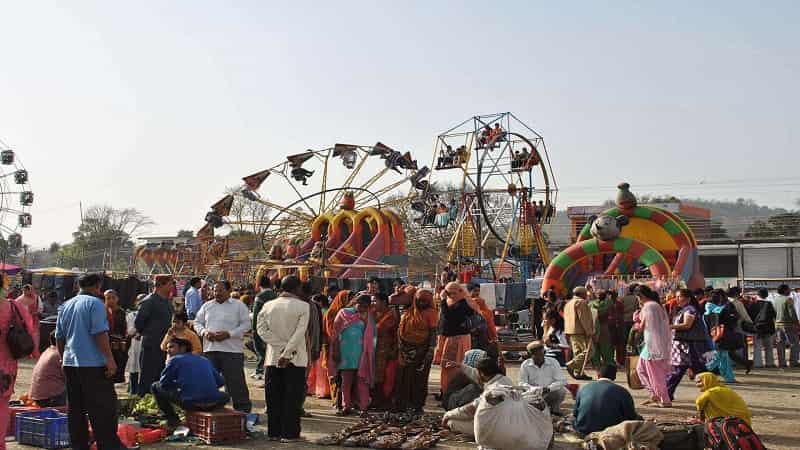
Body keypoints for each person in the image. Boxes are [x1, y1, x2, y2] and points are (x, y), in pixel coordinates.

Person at [54, 273, 126, 450]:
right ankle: (107, 445)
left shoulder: (66, 305)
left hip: (71, 363)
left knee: (76, 409)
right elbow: (99, 333)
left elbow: (59, 337)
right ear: (97, 286)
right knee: (102, 408)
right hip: (92, 364)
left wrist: (63, 358)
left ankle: (79, 445)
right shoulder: (95, 304)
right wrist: (110, 359)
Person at [257, 275, 310, 443]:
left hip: (273, 357)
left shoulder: (268, 305)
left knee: (273, 396)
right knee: (292, 396)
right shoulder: (303, 306)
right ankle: (289, 434)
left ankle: (274, 432)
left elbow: (261, 330)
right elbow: (300, 332)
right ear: (297, 289)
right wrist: (287, 353)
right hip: (296, 358)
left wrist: (280, 348)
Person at [193, 280, 252, 413]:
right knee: (208, 381)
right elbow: (197, 322)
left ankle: (243, 411)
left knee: (235, 382)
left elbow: (246, 325)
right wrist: (204, 332)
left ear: (229, 291)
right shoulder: (207, 306)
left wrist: (229, 334)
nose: (216, 293)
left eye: (220, 290)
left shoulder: (238, 306)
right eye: (215, 290)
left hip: (232, 351)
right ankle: (208, 407)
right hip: (210, 349)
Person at [151, 337, 230, 427]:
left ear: (183, 348)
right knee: (225, 396)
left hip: (190, 403)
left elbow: (163, 383)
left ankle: (173, 420)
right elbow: (220, 382)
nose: (168, 351)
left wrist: (178, 384)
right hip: (214, 402)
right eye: (167, 348)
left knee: (155, 386)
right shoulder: (204, 360)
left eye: (171, 347)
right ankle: (212, 409)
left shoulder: (175, 360)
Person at [441, 356, 513, 438]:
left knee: (451, 422)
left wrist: (449, 414)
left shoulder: (493, 390)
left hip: (496, 427)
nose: (476, 374)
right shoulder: (504, 379)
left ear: (482, 373)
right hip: (508, 422)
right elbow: (473, 373)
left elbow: (472, 409)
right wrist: (458, 365)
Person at [330, 295, 376, 416]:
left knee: (362, 381)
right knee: (346, 381)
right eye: (360, 305)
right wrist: (335, 350)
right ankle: (346, 407)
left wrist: (366, 320)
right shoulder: (343, 313)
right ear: (355, 302)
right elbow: (335, 334)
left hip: (362, 354)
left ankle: (363, 407)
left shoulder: (368, 316)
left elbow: (371, 336)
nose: (362, 308)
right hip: (345, 353)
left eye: (366, 306)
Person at [396, 288, 439, 413]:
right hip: (405, 349)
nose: (421, 303)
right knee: (404, 378)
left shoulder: (431, 313)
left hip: (422, 351)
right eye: (419, 300)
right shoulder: (409, 311)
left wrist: (430, 352)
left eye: (424, 301)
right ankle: (404, 403)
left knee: (419, 379)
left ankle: (417, 405)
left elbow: (433, 334)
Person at [435, 282, 481, 393]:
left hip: (457, 339)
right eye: (448, 293)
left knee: (453, 367)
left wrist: (442, 300)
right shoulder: (451, 302)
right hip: (449, 338)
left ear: (460, 292)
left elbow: (450, 317)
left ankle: (451, 392)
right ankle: (445, 391)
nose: (451, 296)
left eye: (453, 293)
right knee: (446, 368)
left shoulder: (463, 304)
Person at [573, 365, 641, 437]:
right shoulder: (622, 391)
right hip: (611, 434)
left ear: (598, 375)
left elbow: (575, 414)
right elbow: (631, 416)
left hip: (583, 431)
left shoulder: (584, 388)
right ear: (614, 377)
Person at [666, 289, 710, 401]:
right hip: (684, 346)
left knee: (681, 370)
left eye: (679, 297)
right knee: (687, 370)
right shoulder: (684, 310)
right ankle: (666, 393)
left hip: (688, 346)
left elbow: (687, 325)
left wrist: (670, 326)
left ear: (688, 298)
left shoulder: (690, 310)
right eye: (676, 297)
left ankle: (666, 394)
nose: (677, 299)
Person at [134, 274, 175, 396]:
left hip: (164, 345)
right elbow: (139, 323)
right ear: (161, 285)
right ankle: (143, 403)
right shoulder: (149, 301)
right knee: (148, 376)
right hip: (151, 344)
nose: (172, 286)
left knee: (160, 375)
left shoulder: (167, 302)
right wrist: (149, 334)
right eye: (170, 283)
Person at [635, 285, 672, 408]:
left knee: (653, 373)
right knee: (645, 370)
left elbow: (642, 326)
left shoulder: (648, 306)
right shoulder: (657, 305)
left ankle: (663, 399)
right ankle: (655, 395)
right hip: (657, 343)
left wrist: (636, 322)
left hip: (652, 345)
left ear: (641, 296)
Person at [519, 341, 568, 414]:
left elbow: (562, 381)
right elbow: (522, 383)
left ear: (544, 353)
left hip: (549, 393)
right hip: (533, 394)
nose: (539, 357)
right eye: (535, 355)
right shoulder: (525, 365)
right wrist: (533, 389)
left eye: (541, 354)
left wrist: (548, 388)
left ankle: (554, 409)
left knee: (561, 391)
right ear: (529, 354)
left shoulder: (553, 362)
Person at [323, 290, 352, 409]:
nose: (350, 302)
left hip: (346, 348)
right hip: (333, 348)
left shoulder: (349, 313)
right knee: (335, 375)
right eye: (348, 299)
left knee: (345, 375)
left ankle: (344, 401)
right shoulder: (331, 313)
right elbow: (331, 332)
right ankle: (336, 400)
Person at [371, 292, 398, 410]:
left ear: (383, 302)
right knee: (374, 376)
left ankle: (383, 402)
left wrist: (394, 350)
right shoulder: (373, 313)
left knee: (384, 377)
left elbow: (395, 334)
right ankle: (375, 401)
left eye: (375, 301)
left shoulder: (391, 315)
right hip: (373, 350)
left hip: (385, 350)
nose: (373, 303)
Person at [564, 286, 595, 380]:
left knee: (578, 352)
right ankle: (571, 365)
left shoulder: (569, 303)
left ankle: (578, 373)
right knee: (590, 351)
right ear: (582, 294)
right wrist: (589, 331)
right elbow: (583, 318)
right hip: (581, 331)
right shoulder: (581, 302)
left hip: (571, 331)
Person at [30, 331, 66, 407]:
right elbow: (70, 378)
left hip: (38, 397)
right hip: (51, 398)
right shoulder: (59, 354)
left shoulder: (48, 351)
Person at [251, 276, 277, 380]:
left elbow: (256, 315)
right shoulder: (276, 296)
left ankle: (260, 370)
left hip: (260, 327)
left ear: (259, 284)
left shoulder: (260, 297)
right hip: (273, 327)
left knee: (259, 349)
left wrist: (254, 328)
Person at [103, 290, 129, 384]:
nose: (110, 300)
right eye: (108, 298)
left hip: (119, 344)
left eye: (113, 298)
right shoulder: (102, 312)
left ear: (117, 299)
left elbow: (124, 329)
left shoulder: (121, 312)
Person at [772, 284, 799, 368]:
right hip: (789, 325)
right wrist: (796, 323)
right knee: (794, 343)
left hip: (778, 324)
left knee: (780, 344)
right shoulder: (789, 299)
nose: (790, 290)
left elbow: (774, 313)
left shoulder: (775, 300)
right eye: (788, 289)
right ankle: (793, 362)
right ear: (785, 290)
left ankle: (782, 363)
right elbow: (792, 313)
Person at [748, 288, 776, 368]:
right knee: (769, 346)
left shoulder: (753, 304)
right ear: (767, 295)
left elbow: (750, 316)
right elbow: (774, 315)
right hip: (768, 327)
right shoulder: (769, 304)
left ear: (758, 295)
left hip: (757, 328)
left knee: (757, 346)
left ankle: (757, 363)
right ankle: (769, 363)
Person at [589, 291, 615, 370]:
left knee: (595, 349)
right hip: (603, 327)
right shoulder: (607, 303)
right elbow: (611, 302)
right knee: (606, 348)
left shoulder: (590, 304)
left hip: (593, 328)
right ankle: (608, 366)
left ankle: (597, 367)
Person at [126, 294, 146, 395]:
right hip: (136, 345)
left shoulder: (151, 315)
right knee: (134, 369)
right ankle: (133, 392)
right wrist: (138, 333)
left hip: (147, 345)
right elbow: (130, 331)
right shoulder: (132, 315)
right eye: (140, 302)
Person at [15, 284, 40, 356]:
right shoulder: (19, 299)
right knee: (25, 337)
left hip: (34, 321)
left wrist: (35, 313)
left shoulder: (36, 298)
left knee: (35, 338)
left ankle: (34, 352)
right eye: (24, 290)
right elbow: (15, 309)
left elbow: (40, 309)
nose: (26, 291)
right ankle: (26, 353)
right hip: (23, 322)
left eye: (28, 290)